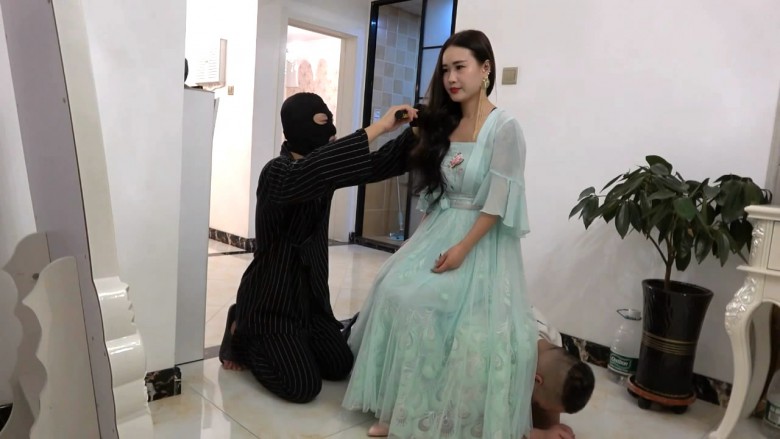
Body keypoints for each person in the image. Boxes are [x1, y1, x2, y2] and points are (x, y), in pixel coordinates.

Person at [342, 30, 539, 438]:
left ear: (485, 69)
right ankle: (397, 406)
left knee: (426, 302)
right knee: (391, 286)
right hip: (441, 226)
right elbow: (437, 189)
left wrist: (462, 248)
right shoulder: (446, 123)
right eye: (446, 69)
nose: (451, 78)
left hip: (480, 239)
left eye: (460, 67)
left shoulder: (505, 127)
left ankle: (427, 412)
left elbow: (498, 201)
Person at [219, 92, 419, 404]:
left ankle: (291, 344)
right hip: (270, 303)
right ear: (298, 127)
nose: (331, 130)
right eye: (323, 122)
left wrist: (414, 135)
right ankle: (242, 332)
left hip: (309, 302)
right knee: (302, 386)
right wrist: (380, 127)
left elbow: (375, 165)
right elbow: (314, 170)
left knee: (339, 364)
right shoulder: (277, 172)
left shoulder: (323, 172)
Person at [529, 308, 595, 439]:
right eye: (542, 406)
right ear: (536, 379)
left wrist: (552, 430)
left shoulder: (552, 339)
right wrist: (542, 435)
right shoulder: (498, 365)